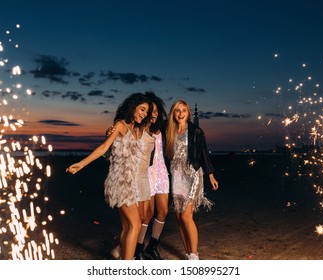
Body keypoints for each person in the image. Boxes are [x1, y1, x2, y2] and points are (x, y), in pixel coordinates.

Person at [66, 93, 151, 260]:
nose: (144, 113)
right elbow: (104, 148)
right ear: (132, 107)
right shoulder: (120, 125)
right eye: (142, 109)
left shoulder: (135, 129)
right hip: (120, 181)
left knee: (128, 226)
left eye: (146, 111)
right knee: (135, 224)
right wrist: (81, 164)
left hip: (130, 182)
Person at [165, 99, 219, 260]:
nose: (180, 114)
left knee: (186, 216)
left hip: (192, 173)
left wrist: (211, 174)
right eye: (177, 110)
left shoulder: (196, 131)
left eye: (184, 110)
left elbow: (204, 153)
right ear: (173, 113)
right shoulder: (170, 130)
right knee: (178, 217)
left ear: (188, 113)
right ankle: (188, 252)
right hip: (176, 175)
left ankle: (194, 256)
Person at [137, 91, 169, 260]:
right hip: (147, 174)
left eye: (157, 111)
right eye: (151, 111)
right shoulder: (138, 129)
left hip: (162, 172)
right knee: (146, 214)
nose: (154, 114)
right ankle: (138, 249)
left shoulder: (161, 129)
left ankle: (152, 247)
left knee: (163, 211)